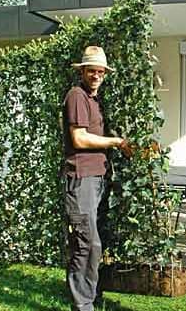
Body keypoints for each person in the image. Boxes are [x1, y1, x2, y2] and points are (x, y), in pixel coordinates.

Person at [62, 45, 131, 311]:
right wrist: (116, 142)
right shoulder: (76, 96)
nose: (96, 75)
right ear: (82, 71)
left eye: (100, 71)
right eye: (91, 70)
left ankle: (90, 294)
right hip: (81, 179)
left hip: (97, 178)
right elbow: (79, 138)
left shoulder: (95, 100)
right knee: (86, 244)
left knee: (94, 242)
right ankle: (83, 305)